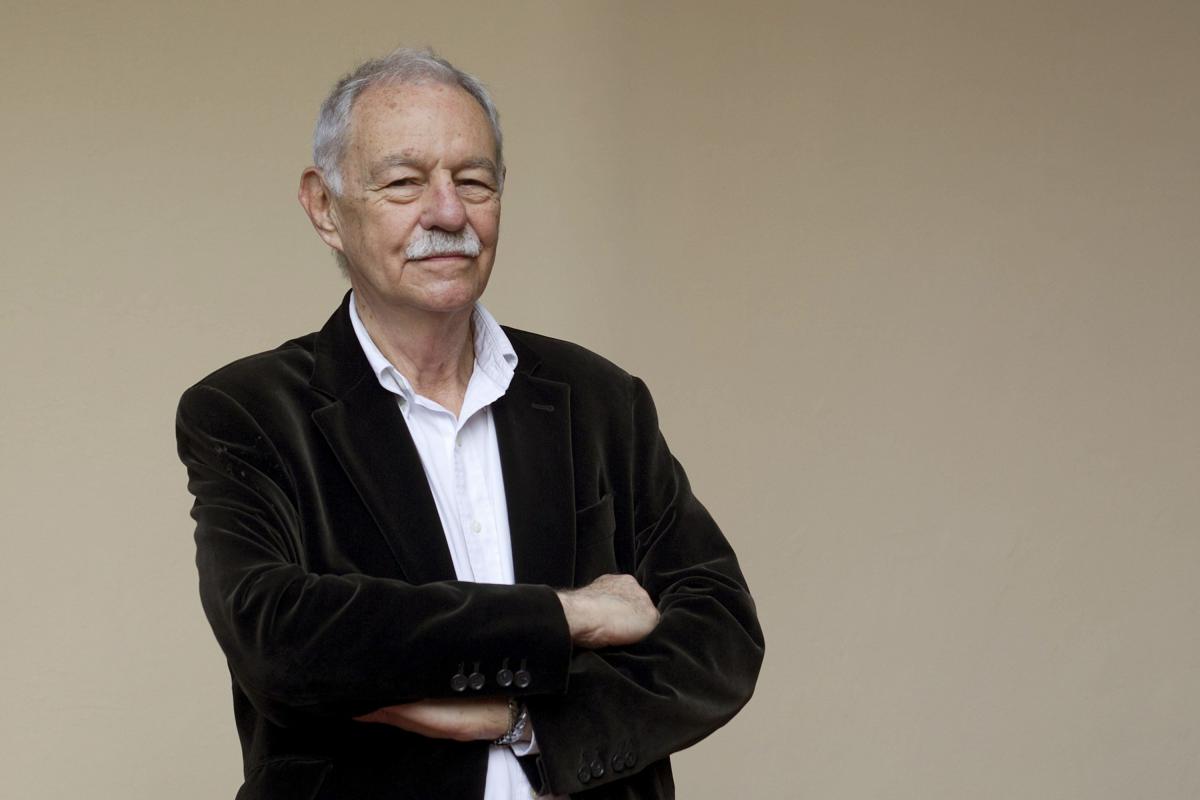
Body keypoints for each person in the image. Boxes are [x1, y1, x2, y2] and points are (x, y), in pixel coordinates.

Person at [176, 47, 763, 800]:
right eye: (404, 182)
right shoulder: (248, 411)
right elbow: (281, 638)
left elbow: (720, 634)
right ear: (324, 207)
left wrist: (527, 721)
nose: (448, 213)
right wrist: (566, 615)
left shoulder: (600, 399)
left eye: (474, 181)